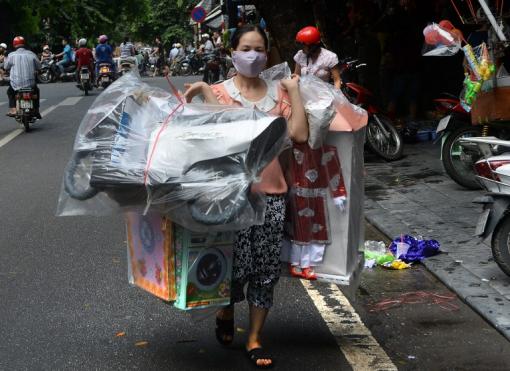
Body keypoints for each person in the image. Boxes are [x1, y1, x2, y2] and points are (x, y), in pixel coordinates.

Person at [184, 24, 308, 369]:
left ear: (267, 55)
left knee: (265, 269)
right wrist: (205, 95)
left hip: (272, 194)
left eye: (259, 50)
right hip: (229, 197)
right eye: (246, 48)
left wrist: (294, 92)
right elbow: (216, 137)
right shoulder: (220, 92)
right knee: (233, 267)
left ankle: (254, 338)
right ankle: (226, 310)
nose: (252, 56)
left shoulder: (279, 93)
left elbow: (298, 134)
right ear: (233, 52)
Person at [5, 36, 41, 118]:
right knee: (36, 91)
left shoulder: (11, 55)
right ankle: (36, 110)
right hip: (30, 84)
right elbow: (39, 66)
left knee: (10, 92)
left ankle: (13, 109)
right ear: (24, 44)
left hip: (16, 84)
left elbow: (6, 67)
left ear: (14, 45)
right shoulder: (31, 54)